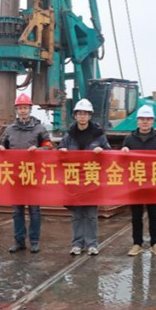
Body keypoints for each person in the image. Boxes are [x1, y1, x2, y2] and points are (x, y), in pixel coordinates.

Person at [0, 93, 53, 254]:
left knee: (34, 211)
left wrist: (39, 149)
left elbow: (49, 146)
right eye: (20, 108)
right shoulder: (10, 129)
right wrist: (1, 148)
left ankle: (34, 241)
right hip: (15, 176)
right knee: (17, 211)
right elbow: (3, 146)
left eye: (25, 108)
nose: (23, 110)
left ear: (30, 109)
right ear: (17, 110)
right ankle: (19, 241)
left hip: (33, 175)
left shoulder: (39, 129)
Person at [58, 99, 111, 256]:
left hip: (91, 179)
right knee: (77, 214)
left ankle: (92, 244)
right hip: (74, 180)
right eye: (80, 113)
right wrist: (62, 151)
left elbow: (109, 153)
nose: (82, 116)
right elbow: (59, 152)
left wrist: (102, 151)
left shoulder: (98, 135)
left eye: (85, 114)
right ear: (75, 116)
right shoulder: (69, 135)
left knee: (91, 215)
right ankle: (77, 244)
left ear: (90, 116)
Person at [122, 105, 156, 256]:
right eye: (142, 119)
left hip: (153, 183)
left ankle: (155, 243)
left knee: (154, 215)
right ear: (137, 121)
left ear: (152, 121)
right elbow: (123, 162)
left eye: (148, 119)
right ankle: (137, 244)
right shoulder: (129, 139)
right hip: (135, 182)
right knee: (136, 215)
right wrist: (123, 152)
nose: (145, 122)